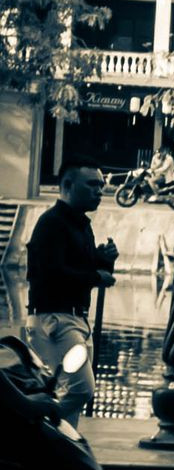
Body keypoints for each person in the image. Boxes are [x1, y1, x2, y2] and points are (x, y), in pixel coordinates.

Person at [24, 167, 116, 420]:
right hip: (54, 320)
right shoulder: (51, 223)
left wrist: (103, 260)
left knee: (70, 399)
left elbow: (84, 270)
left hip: (76, 319)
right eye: (91, 185)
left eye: (101, 185)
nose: (99, 191)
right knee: (79, 390)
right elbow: (50, 272)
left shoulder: (81, 225)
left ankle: (56, 440)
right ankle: (27, 425)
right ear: (67, 185)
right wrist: (96, 276)